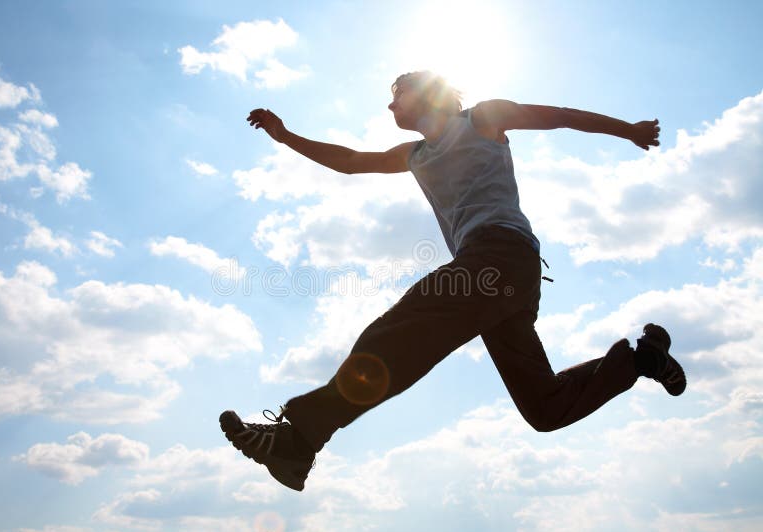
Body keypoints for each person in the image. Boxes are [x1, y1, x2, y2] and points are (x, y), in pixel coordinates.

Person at [220, 71, 686, 491]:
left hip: (499, 257)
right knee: (545, 408)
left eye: (396, 95)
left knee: (395, 335)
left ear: (426, 93)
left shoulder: (481, 119)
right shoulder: (415, 154)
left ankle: (296, 440)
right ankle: (642, 360)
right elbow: (348, 161)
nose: (389, 107)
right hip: (501, 283)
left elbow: (559, 117)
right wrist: (284, 137)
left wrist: (627, 130)